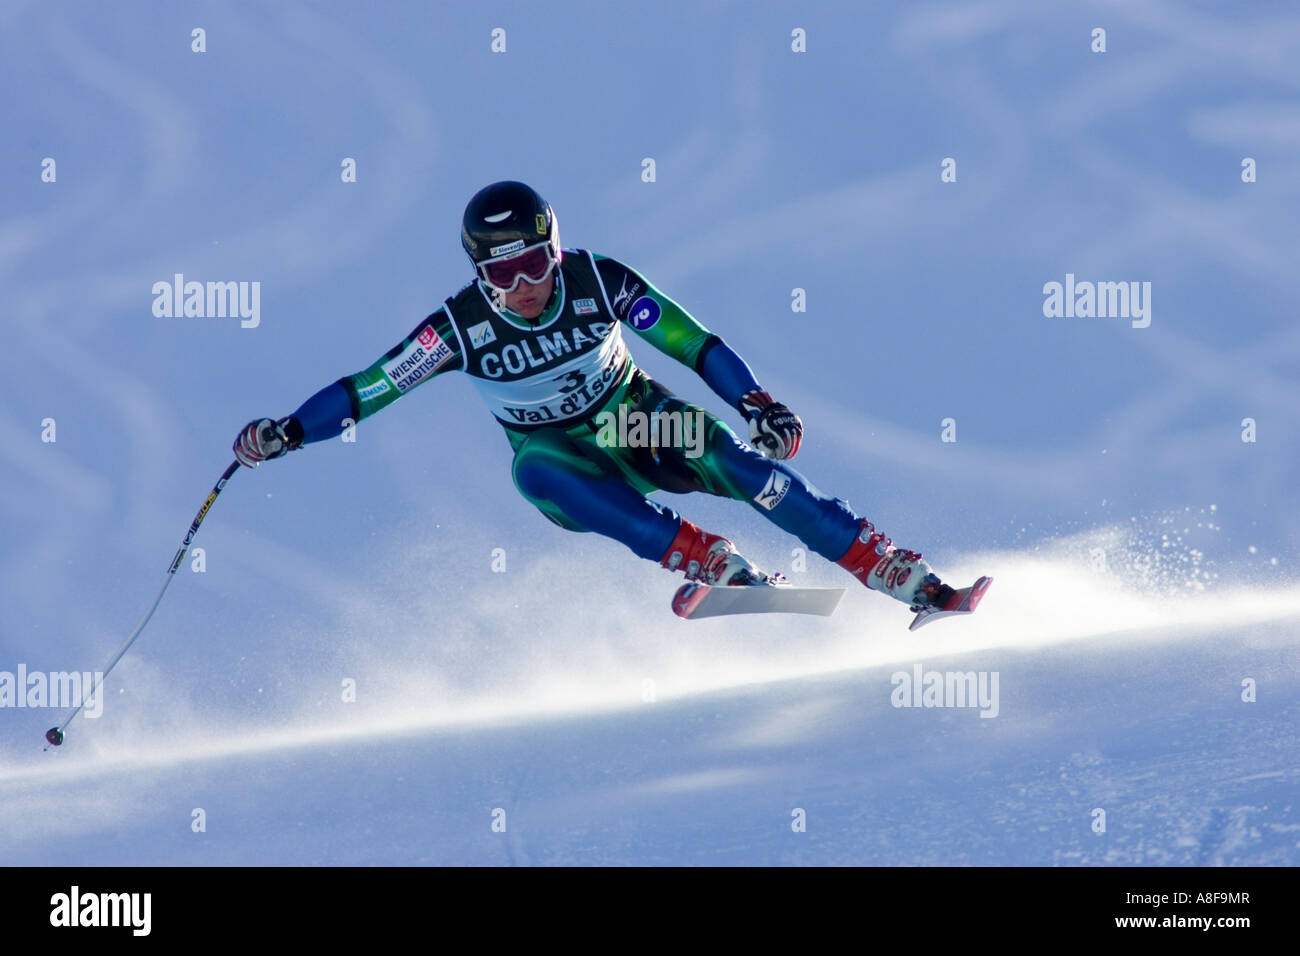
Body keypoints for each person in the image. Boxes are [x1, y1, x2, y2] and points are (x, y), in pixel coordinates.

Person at [234, 181, 969, 623]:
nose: (522, 284)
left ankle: (893, 570)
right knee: (534, 473)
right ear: (478, 275)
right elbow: (371, 388)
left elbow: (690, 341)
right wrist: (290, 431)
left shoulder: (597, 281)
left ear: (556, 248)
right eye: (501, 273)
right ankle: (704, 559)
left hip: (631, 417)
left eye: (534, 261)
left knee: (741, 465)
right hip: (561, 455)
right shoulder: (456, 329)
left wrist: (756, 401)